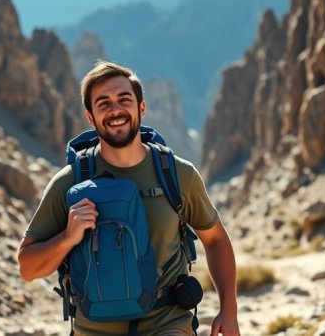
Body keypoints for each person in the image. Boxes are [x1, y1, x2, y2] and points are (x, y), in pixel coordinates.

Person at [17, 60, 240, 336]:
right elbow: (27, 267)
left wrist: (229, 310)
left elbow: (216, 239)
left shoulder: (177, 174)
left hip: (167, 323)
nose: (115, 110)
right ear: (90, 117)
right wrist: (67, 238)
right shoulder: (69, 181)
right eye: (103, 103)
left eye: (124, 99)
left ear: (141, 108)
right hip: (94, 329)